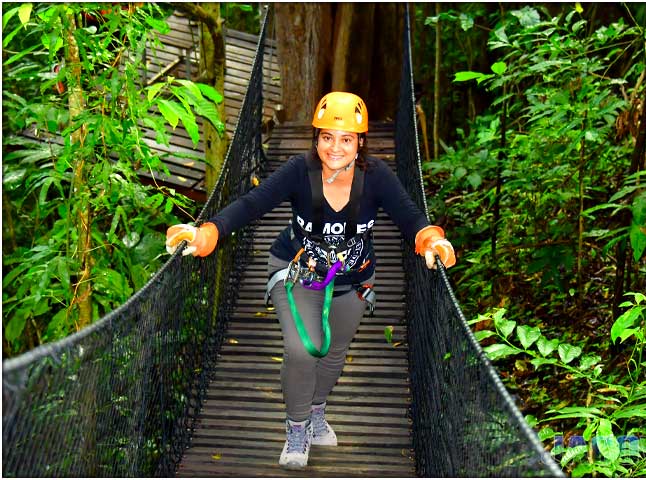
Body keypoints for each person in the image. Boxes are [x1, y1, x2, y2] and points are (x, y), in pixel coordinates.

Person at [165, 92, 456, 469]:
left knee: (333, 354)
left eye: (346, 139)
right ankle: (297, 426)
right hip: (298, 269)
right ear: (316, 137)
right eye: (327, 137)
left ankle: (317, 410)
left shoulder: (377, 177)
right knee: (304, 350)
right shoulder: (298, 172)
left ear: (360, 142)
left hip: (355, 279)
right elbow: (253, 203)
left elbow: (409, 216)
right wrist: (210, 233)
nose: (335, 147)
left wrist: (430, 238)